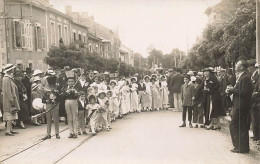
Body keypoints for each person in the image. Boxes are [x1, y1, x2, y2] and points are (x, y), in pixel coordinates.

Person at [227, 60, 253, 153]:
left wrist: (232, 90)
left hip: (241, 106)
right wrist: (231, 90)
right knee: (241, 126)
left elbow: (244, 92)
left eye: (237, 64)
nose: (235, 65)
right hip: (239, 105)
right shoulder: (242, 76)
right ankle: (243, 147)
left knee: (235, 126)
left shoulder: (245, 77)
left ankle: (239, 147)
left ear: (242, 67)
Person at [2, 64, 20, 136]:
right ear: (9, 70)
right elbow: (8, 91)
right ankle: (8, 130)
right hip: (9, 100)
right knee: (9, 114)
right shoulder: (6, 78)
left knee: (12, 114)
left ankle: (10, 129)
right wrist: (11, 100)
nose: (13, 70)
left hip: (12, 99)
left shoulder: (9, 78)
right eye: (12, 69)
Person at [63, 71, 79, 138]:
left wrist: (75, 92)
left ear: (74, 82)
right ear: (67, 82)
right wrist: (66, 93)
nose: (71, 83)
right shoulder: (65, 88)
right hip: (67, 102)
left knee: (74, 117)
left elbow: (78, 95)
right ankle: (71, 132)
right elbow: (62, 96)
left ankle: (75, 132)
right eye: (69, 81)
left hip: (74, 101)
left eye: (72, 81)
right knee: (69, 117)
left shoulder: (76, 88)